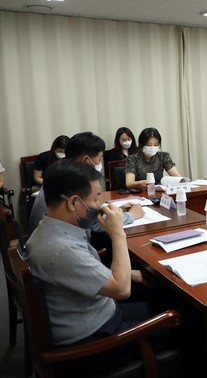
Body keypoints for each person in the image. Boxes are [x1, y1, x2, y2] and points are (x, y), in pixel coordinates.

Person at [24, 159, 152, 346]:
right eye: (96, 198)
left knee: (154, 300)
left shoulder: (48, 228)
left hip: (94, 311)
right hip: (96, 336)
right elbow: (122, 290)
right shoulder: (63, 250)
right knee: (180, 318)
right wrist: (117, 233)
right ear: (73, 203)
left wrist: (130, 273)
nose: (100, 205)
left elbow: (79, 269)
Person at [28, 132, 144, 235]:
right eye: (99, 159)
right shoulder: (73, 179)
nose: (100, 163)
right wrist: (132, 215)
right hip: (60, 241)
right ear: (86, 160)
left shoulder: (61, 170)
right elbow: (94, 223)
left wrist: (116, 211)